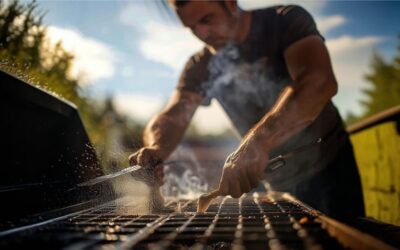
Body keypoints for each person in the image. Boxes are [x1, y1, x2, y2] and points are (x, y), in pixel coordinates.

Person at [129, 0, 365, 222]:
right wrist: (157, 147)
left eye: (207, 19)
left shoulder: (285, 21)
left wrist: (259, 141)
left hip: (330, 168)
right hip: (274, 182)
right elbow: (173, 115)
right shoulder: (200, 66)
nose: (202, 34)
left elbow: (318, 82)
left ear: (231, 3)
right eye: (192, 28)